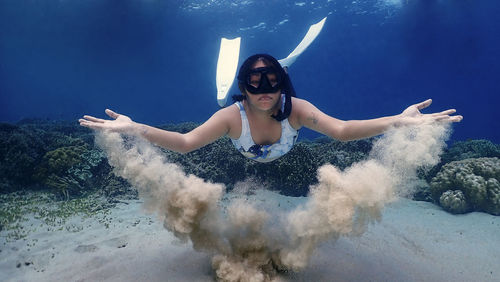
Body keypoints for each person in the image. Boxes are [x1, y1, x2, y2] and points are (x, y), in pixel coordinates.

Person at [79, 54, 463, 162]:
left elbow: (343, 131)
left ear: (283, 83)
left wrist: (399, 121)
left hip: (282, 148)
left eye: (272, 80)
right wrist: (134, 128)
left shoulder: (296, 109)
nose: (264, 90)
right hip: (243, 148)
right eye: (254, 83)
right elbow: (183, 143)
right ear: (243, 88)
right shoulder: (232, 117)